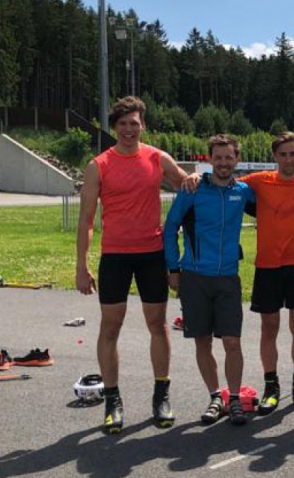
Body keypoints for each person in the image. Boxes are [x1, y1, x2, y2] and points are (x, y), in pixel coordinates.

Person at [75, 96, 194, 434]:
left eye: (135, 124)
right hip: (115, 257)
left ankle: (161, 396)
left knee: (157, 324)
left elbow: (186, 187)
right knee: (110, 328)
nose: (129, 130)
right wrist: (81, 266)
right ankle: (112, 401)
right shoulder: (99, 165)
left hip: (152, 254)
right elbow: (86, 219)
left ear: (143, 126)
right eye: (123, 124)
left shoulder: (157, 158)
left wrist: (197, 179)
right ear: (115, 127)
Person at [164, 134, 254, 426]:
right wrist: (173, 268)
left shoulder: (243, 191)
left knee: (232, 342)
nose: (224, 163)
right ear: (210, 159)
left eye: (229, 157)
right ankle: (215, 397)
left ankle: (235, 399)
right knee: (202, 341)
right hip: (194, 277)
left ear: (237, 159)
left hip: (227, 277)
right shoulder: (192, 189)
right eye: (218, 157)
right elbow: (170, 228)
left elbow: (278, 189)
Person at [240, 132, 294, 414]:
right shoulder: (259, 180)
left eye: (293, 153)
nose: (288, 159)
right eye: (283, 154)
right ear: (275, 156)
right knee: (269, 328)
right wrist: (195, 177)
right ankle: (271, 388)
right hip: (268, 266)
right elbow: (225, 182)